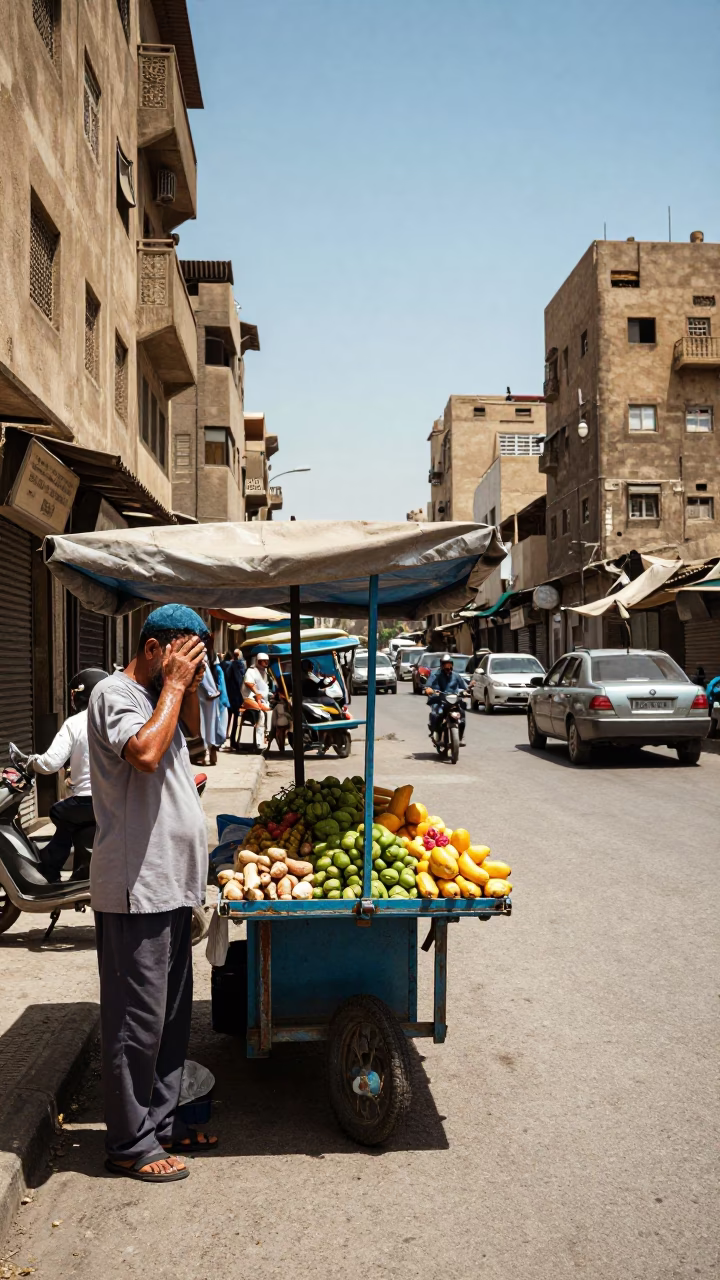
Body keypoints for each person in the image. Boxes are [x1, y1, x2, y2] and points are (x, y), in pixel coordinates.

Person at [87, 604, 215, 1184]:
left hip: (172, 886)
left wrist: (186, 691)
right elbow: (142, 754)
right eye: (184, 654)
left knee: (169, 1019)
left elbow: (169, 754)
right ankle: (129, 1143)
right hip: (136, 887)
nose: (190, 667)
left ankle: (158, 1125)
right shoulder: (116, 694)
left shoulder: (159, 699)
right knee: (135, 1022)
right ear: (154, 648)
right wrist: (176, 685)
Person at [28, 668, 108, 881]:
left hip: (87, 801)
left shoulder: (76, 722)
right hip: (116, 801)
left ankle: (51, 867)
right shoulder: (117, 718)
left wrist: (31, 763)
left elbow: (50, 763)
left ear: (83, 693)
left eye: (74, 693)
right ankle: (81, 867)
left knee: (59, 812)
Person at [197, 650, 230, 765]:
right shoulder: (202, 666)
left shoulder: (212, 668)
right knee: (205, 726)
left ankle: (210, 751)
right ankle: (206, 753)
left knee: (211, 725)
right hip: (204, 698)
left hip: (211, 699)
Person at [424, 653, 467, 740]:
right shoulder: (435, 675)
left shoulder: (456, 676)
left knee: (462, 714)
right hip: (440, 700)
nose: (448, 668)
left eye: (450, 665)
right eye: (446, 665)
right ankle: (435, 732)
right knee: (436, 713)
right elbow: (428, 686)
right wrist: (429, 689)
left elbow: (464, 687)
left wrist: (467, 691)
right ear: (442, 665)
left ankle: (460, 737)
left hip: (454, 700)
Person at [241, 652, 271, 752]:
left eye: (267, 661)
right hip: (249, 698)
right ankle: (259, 743)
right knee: (261, 714)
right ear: (258, 661)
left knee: (270, 712)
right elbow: (249, 683)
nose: (266, 662)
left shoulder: (265, 672)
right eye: (264, 661)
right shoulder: (251, 671)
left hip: (262, 699)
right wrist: (257, 694)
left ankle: (266, 736)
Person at [224, 648, 247, 752]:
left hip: (228, 694)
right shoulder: (238, 665)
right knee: (235, 721)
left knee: (227, 719)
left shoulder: (225, 664)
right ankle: (233, 742)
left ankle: (225, 738)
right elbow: (239, 680)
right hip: (236, 696)